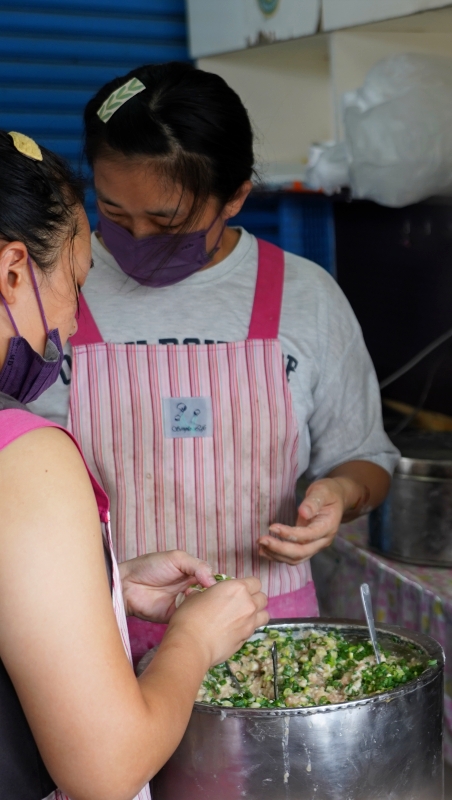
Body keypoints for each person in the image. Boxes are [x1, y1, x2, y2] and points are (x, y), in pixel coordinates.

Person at [31, 62, 398, 657]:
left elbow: (367, 458)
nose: (136, 237)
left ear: (234, 198)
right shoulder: (51, 293)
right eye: (114, 213)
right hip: (93, 635)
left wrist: (340, 494)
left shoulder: (304, 297)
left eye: (167, 221)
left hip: (268, 641)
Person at [0, 129, 269, 800]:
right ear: (11, 271)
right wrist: (194, 641)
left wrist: (102, 589)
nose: (72, 316)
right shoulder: (25, 457)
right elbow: (107, 768)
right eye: (76, 281)